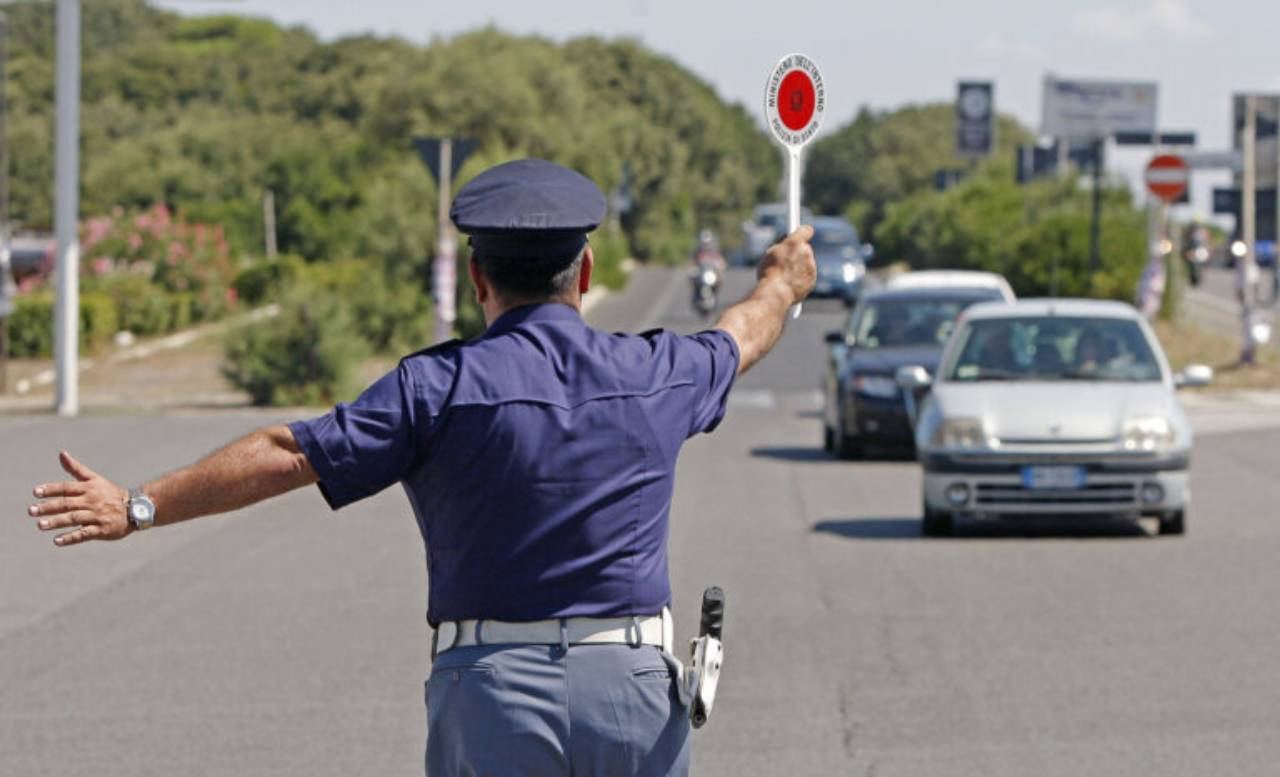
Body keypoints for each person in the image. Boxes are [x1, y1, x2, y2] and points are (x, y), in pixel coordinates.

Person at [23, 158, 817, 777]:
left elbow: (287, 453)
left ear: (478, 279)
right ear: (584, 271)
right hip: (635, 696)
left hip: (493, 698)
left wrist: (138, 506)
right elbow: (743, 332)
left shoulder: (435, 387)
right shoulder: (656, 372)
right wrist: (783, 280)